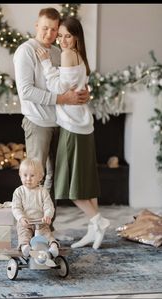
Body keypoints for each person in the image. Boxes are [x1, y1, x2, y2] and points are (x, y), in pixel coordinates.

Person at [13, 8, 90, 238]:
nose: (49, 33)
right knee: (34, 177)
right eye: (45, 27)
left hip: (61, 122)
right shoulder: (25, 51)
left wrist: (85, 93)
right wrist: (62, 98)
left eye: (54, 29)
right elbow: (26, 91)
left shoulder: (58, 52)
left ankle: (46, 228)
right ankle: (27, 228)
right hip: (37, 123)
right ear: (36, 25)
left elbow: (69, 81)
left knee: (53, 178)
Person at [36, 16, 110, 250]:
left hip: (71, 127)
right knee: (86, 182)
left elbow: (58, 88)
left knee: (71, 186)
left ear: (76, 36)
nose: (62, 40)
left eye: (67, 35)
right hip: (83, 125)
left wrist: (47, 64)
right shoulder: (81, 57)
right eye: (60, 36)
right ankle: (93, 230)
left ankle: (99, 221)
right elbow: (75, 88)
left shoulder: (67, 55)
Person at [12, 158, 59, 258]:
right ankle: (25, 247)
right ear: (20, 175)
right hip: (26, 222)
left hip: (40, 221)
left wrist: (47, 215)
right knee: (24, 235)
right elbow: (16, 208)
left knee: (47, 234)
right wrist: (21, 218)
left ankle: (53, 246)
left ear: (40, 177)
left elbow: (48, 206)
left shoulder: (43, 191)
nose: (28, 179)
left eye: (32, 175)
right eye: (25, 175)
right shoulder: (19, 192)